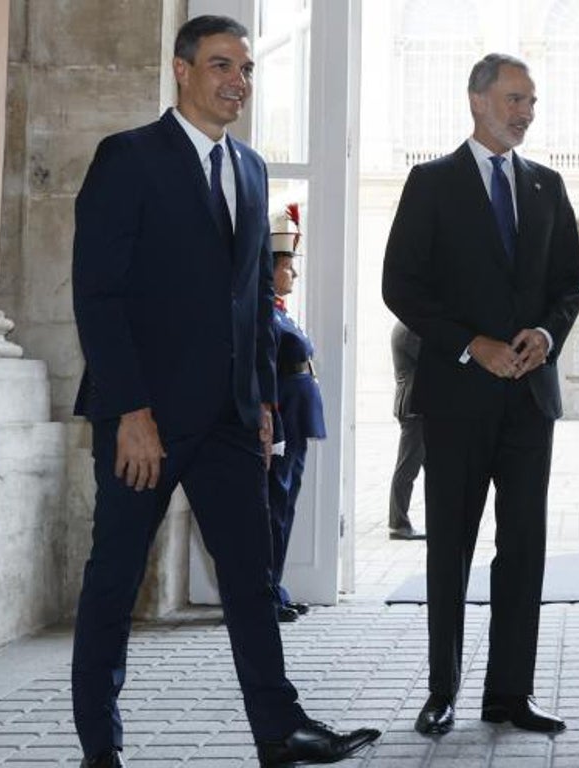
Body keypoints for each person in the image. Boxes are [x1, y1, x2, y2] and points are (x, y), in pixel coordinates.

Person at [70, 15, 379, 767]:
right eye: (220, 65)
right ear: (181, 70)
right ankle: (100, 748)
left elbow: (252, 300)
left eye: (245, 69)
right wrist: (130, 411)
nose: (237, 81)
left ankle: (280, 731)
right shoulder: (128, 157)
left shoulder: (251, 167)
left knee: (251, 583)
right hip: (146, 418)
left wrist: (263, 403)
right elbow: (98, 296)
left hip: (233, 421)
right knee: (114, 583)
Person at [382, 52, 579, 737]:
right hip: (457, 398)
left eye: (531, 101)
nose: (525, 112)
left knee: (523, 549)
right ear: (477, 100)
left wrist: (546, 335)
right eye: (514, 99)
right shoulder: (431, 182)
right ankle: (441, 691)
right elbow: (401, 286)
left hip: (531, 401)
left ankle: (509, 694)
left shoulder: (547, 185)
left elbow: (571, 283)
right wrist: (473, 343)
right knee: (450, 548)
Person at [267, 203, 326, 622]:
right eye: (287, 267)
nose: (294, 274)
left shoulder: (278, 311)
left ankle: (276, 587)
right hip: (281, 419)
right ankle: (265, 594)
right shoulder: (260, 311)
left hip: (296, 416)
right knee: (273, 505)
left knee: (284, 506)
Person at [388, 321, 427, 540]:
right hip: (414, 408)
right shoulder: (408, 330)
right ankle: (398, 524)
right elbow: (430, 359)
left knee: (423, 466)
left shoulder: (406, 328)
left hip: (417, 406)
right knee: (407, 468)